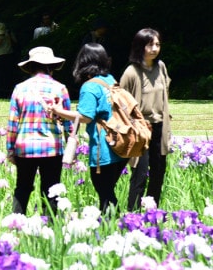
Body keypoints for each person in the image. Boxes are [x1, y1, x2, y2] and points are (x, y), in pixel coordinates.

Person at [49, 42, 127, 214]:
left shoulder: (90, 86)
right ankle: (113, 227)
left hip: (103, 147)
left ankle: (114, 228)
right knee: (108, 191)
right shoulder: (110, 80)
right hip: (120, 144)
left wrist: (58, 111)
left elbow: (86, 116)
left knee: (105, 194)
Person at [6, 47, 72, 216]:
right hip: (52, 147)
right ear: (51, 66)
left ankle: (16, 225)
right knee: (51, 189)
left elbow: (13, 123)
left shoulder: (20, 88)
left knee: (22, 188)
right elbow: (68, 123)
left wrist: (10, 149)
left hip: (25, 147)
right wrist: (71, 147)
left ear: (30, 67)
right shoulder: (60, 88)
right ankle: (49, 227)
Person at [120, 28, 171, 211]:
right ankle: (133, 213)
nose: (155, 48)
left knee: (158, 172)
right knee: (140, 174)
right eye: (150, 44)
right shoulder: (131, 72)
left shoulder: (161, 67)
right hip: (141, 129)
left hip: (159, 127)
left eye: (157, 44)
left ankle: (152, 212)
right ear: (140, 46)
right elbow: (120, 100)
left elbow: (165, 90)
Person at [0, 22, 18, 97]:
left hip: (9, 56)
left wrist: (10, 37)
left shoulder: (9, 34)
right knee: (0, 75)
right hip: (0, 57)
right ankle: (0, 93)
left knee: (10, 75)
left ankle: (10, 92)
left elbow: (15, 43)